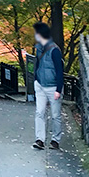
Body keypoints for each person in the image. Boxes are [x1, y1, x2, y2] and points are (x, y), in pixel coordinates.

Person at [32, 22, 64, 150]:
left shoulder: (55, 50)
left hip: (52, 86)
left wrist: (58, 88)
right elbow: (37, 64)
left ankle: (55, 140)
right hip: (40, 84)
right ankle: (40, 139)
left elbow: (59, 70)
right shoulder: (39, 48)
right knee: (39, 112)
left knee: (55, 115)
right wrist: (36, 79)